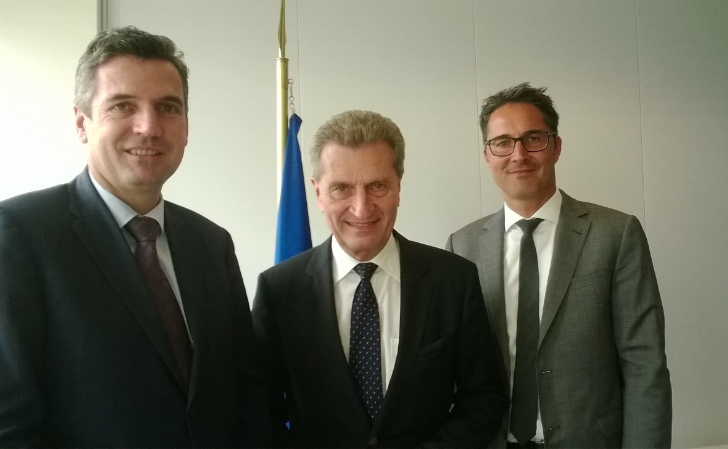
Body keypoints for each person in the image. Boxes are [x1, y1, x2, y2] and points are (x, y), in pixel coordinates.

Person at [0, 26, 268, 448]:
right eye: (123, 106)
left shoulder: (212, 243)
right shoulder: (19, 234)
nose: (149, 127)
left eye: (168, 107)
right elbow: (10, 421)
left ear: (186, 126)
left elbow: (247, 392)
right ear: (82, 123)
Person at [252, 110, 507, 448]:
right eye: (342, 188)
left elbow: (484, 397)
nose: (362, 208)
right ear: (318, 193)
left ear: (398, 187)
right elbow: (256, 410)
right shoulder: (280, 290)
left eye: (377, 186)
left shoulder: (453, 280)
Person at [446, 83, 672, 449]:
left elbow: (644, 363)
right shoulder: (463, 246)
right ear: (487, 155)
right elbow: (452, 369)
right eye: (502, 142)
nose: (518, 154)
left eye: (533, 138)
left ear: (556, 146)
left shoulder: (615, 234)